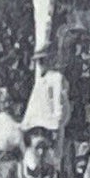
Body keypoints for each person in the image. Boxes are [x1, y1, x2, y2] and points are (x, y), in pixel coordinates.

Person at [22, 40, 71, 169]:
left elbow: (59, 101)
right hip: (35, 125)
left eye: (43, 60)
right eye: (40, 61)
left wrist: (57, 123)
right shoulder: (41, 80)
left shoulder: (56, 78)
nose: (41, 64)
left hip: (49, 125)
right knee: (32, 159)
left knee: (52, 159)